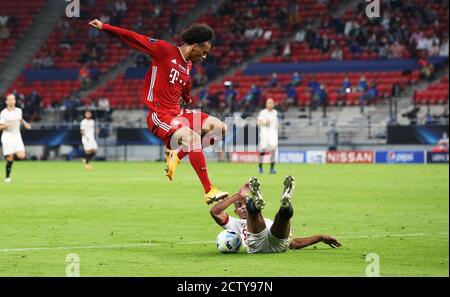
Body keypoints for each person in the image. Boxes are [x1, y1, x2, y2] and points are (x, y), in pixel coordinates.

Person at [89, 19, 228, 204]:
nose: (204, 57)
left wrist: (186, 97)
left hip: (177, 112)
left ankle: (176, 156)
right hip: (159, 115)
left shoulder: (188, 65)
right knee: (193, 138)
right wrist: (105, 27)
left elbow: (185, 83)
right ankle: (209, 190)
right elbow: (135, 38)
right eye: (204, 53)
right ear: (195, 47)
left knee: (220, 128)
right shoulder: (164, 50)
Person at [210, 176, 342, 253]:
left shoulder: (268, 221)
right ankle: (255, 205)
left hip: (276, 243)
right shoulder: (234, 225)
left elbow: (294, 243)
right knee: (254, 215)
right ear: (235, 212)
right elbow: (214, 211)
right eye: (239, 206)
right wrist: (239, 196)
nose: (242, 208)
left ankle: (285, 206)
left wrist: (321, 238)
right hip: (257, 245)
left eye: (244, 204)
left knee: (283, 216)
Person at [0, 94, 32, 183]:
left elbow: (20, 118)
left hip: (17, 136)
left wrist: (25, 124)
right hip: (7, 136)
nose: (11, 101)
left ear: (15, 101)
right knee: (10, 157)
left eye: (13, 99)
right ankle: (7, 177)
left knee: (21, 156)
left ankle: (9, 156)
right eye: (9, 99)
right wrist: (7, 124)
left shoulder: (19, 111)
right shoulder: (3, 113)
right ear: (6, 101)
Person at [257, 98, 278, 174]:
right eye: (268, 103)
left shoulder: (275, 112)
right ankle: (260, 167)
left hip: (272, 133)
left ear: (273, 104)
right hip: (264, 133)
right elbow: (258, 122)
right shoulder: (263, 112)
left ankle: (272, 168)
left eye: (271, 103)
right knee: (263, 150)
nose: (270, 104)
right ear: (266, 104)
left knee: (273, 150)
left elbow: (275, 122)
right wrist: (265, 122)